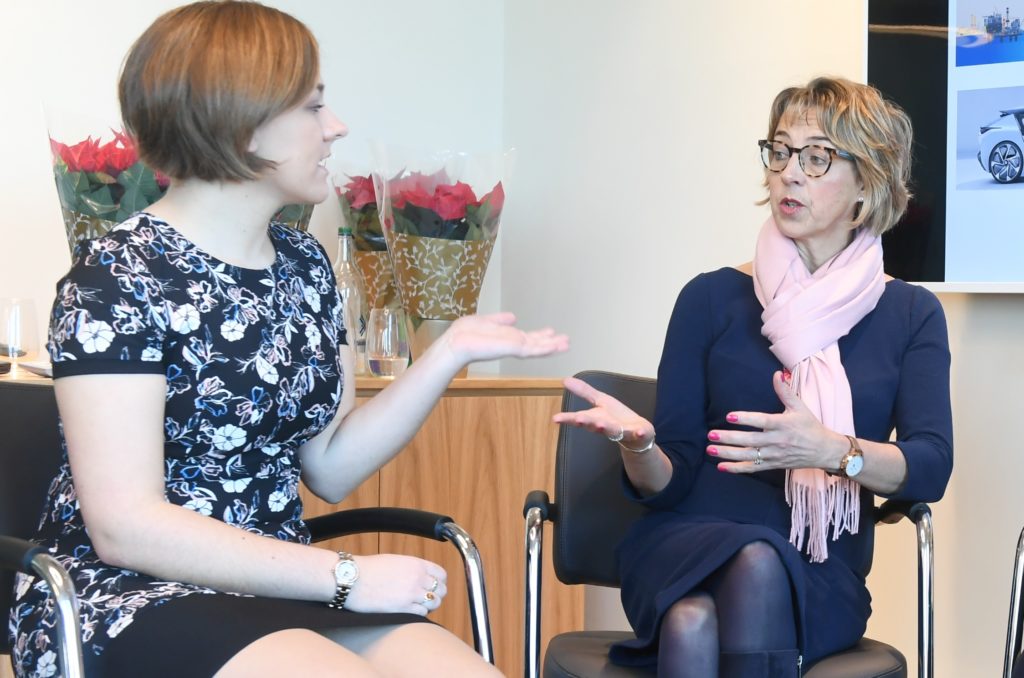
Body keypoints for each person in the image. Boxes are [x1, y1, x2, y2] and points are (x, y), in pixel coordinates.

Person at [9, 2, 567, 676]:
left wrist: (446, 354)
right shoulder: (117, 280)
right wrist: (345, 576)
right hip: (127, 596)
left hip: (281, 584)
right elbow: (125, 525)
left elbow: (329, 466)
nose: (336, 128)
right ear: (238, 122)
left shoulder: (305, 268)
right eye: (312, 107)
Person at [553, 76, 952, 677]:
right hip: (684, 540)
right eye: (781, 151)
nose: (790, 172)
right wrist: (641, 448)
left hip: (818, 564)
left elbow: (930, 465)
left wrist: (832, 450)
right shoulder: (710, 298)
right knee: (739, 573)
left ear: (867, 184)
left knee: (699, 617)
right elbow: (674, 477)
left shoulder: (912, 315)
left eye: (817, 157)